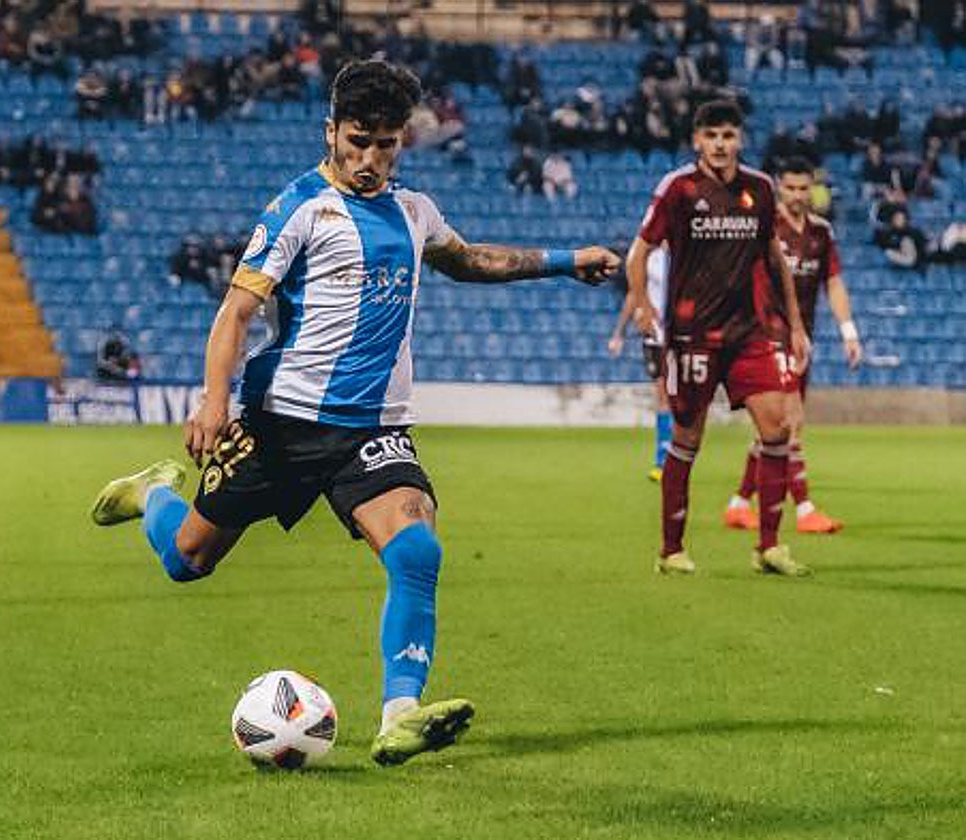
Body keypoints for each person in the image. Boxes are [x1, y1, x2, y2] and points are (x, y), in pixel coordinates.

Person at [90, 59, 620, 766]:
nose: (371, 160)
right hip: (281, 423)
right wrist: (215, 401)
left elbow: (468, 260)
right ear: (331, 131)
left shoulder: (413, 210)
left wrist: (564, 260)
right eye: (358, 141)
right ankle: (151, 491)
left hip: (372, 430)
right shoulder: (299, 209)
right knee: (187, 561)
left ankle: (399, 715)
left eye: (387, 144)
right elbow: (236, 310)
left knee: (416, 550)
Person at [626, 99, 812, 578]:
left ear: (740, 140)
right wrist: (643, 304)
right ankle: (671, 549)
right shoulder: (679, 189)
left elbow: (774, 257)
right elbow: (639, 251)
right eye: (712, 135)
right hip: (693, 337)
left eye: (728, 135)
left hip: (749, 332)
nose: (721, 144)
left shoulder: (759, 188)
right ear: (697, 141)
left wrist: (794, 325)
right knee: (688, 438)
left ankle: (769, 546)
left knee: (777, 429)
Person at [724, 158, 862, 535]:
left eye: (804, 189)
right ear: (779, 188)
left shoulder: (821, 232)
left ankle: (738, 504)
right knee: (791, 422)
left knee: (771, 431)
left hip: (803, 341)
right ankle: (804, 509)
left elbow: (833, 283)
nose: (798, 196)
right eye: (791, 188)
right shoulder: (765, 228)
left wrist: (848, 331)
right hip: (768, 337)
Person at [609, 245, 671, 481]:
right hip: (654, 333)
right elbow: (634, 293)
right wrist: (619, 333)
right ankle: (662, 460)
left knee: (681, 398)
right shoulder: (648, 256)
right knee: (663, 395)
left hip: (681, 332)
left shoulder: (685, 249)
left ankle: (677, 455)